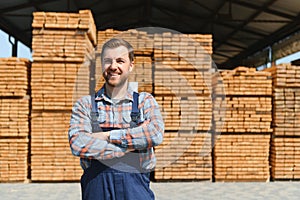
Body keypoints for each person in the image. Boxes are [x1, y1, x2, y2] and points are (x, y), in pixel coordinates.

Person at [68, 38, 164, 200]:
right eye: (108, 61)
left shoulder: (144, 101)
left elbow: (154, 134)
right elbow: (78, 144)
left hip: (135, 188)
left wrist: (107, 136)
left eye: (120, 61)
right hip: (96, 188)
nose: (113, 66)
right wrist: (131, 145)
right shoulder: (85, 105)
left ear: (131, 65)